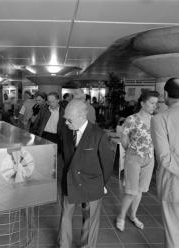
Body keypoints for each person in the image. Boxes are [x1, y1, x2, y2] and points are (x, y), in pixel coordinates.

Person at [58, 99, 114, 248]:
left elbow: (107, 164)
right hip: (69, 180)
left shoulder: (98, 134)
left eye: (69, 120)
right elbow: (66, 155)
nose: (66, 123)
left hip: (91, 183)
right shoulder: (65, 130)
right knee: (65, 216)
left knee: (90, 219)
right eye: (65, 119)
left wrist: (101, 184)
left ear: (82, 116)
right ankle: (64, 245)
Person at [116, 90, 159, 232]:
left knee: (140, 190)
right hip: (134, 157)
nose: (154, 106)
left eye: (156, 103)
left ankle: (133, 215)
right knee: (131, 191)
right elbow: (124, 138)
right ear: (142, 103)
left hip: (149, 158)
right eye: (152, 103)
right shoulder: (132, 119)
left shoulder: (156, 119)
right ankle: (121, 216)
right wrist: (131, 151)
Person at [151, 78, 179, 248]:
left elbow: (164, 158)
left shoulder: (160, 118)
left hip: (173, 184)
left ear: (166, 94)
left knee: (173, 230)